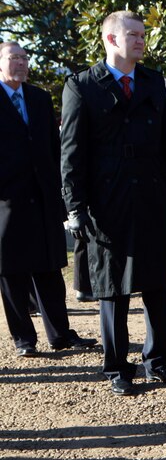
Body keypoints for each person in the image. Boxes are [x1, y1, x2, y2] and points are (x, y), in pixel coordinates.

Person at [60, 11, 166, 396]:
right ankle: (117, 365)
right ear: (111, 39)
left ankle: (158, 360)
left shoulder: (152, 82)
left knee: (155, 281)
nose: (141, 40)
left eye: (143, 34)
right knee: (112, 285)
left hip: (151, 195)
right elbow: (71, 154)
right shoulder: (82, 86)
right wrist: (75, 206)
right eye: (133, 34)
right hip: (108, 199)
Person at [0, 41, 97, 356]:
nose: (21, 63)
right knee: (11, 272)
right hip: (6, 202)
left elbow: (56, 149)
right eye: (14, 57)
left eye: (25, 58)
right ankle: (24, 340)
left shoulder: (40, 98)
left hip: (43, 198)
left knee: (49, 269)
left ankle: (60, 334)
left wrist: (64, 193)